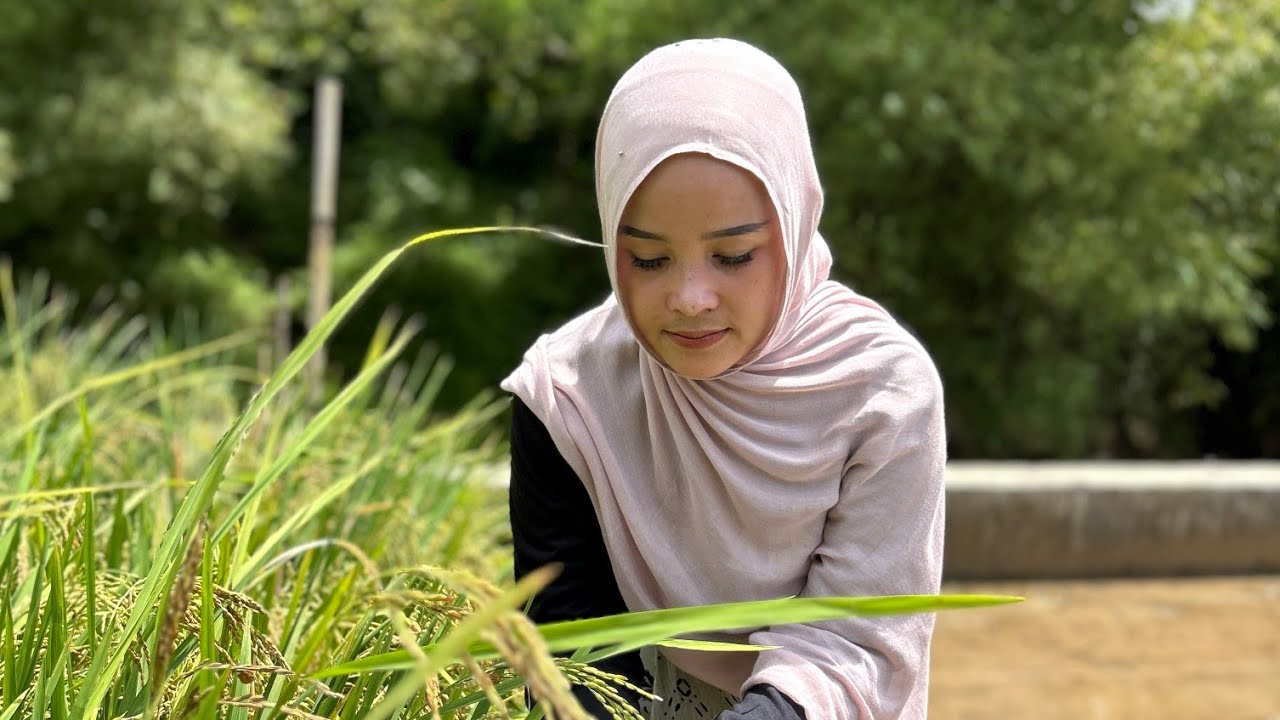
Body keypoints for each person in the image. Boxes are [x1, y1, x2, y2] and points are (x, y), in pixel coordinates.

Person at [503, 38, 945, 720]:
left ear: (794, 227)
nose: (690, 297)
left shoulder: (882, 392)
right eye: (648, 259)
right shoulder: (569, 397)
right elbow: (573, 643)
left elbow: (858, 638)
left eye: (733, 256)